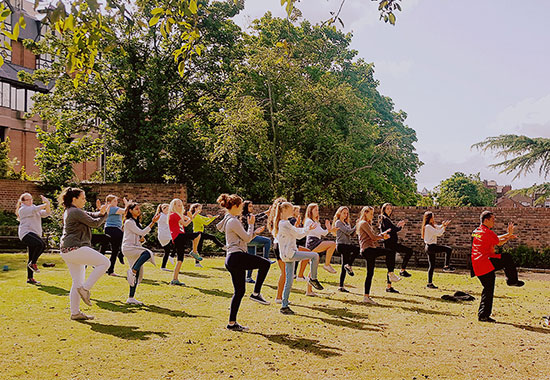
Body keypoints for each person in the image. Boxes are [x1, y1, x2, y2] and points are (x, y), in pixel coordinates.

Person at [216, 193, 271, 332]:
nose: (242, 209)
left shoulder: (230, 219)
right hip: (237, 257)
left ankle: (232, 323)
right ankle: (256, 293)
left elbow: (245, 238)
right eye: (240, 206)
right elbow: (246, 239)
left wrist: (255, 232)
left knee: (239, 292)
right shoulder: (233, 221)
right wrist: (251, 226)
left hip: (232, 259)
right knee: (265, 263)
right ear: (234, 206)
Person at [58, 187, 112, 321]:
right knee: (105, 262)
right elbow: (94, 223)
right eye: (83, 198)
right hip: (74, 248)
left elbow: (91, 215)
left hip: (68, 249)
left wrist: (100, 212)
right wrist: (105, 215)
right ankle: (85, 289)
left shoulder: (73, 210)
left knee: (77, 282)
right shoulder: (75, 211)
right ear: (74, 199)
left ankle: (75, 313)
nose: (85, 200)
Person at [471, 210, 523, 322]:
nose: (494, 221)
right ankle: (512, 281)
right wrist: (508, 235)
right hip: (485, 263)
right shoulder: (487, 232)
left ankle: (483, 315)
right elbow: (498, 241)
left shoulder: (476, 231)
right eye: (492, 219)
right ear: (486, 220)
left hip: (477, 264)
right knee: (507, 258)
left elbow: (495, 239)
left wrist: (508, 236)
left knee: (488, 289)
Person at [275, 201, 324, 315]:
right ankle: (313, 279)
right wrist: (308, 230)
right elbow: (299, 235)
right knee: (315, 256)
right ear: (285, 211)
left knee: (289, 280)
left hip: (287, 255)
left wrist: (307, 229)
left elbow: (297, 232)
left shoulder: (283, 223)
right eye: (291, 209)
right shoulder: (284, 224)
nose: (293, 211)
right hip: (290, 254)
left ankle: (284, 305)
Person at [357, 206, 401, 304]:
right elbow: (373, 237)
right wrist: (382, 236)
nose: (372, 216)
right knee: (389, 252)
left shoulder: (366, 224)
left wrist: (383, 236)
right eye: (371, 214)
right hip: (368, 250)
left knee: (370, 274)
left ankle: (366, 297)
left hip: (369, 250)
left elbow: (373, 238)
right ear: (365, 213)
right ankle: (391, 273)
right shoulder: (363, 223)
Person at [122, 202, 161, 305]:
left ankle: (131, 298)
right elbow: (141, 232)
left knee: (137, 275)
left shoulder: (136, 222)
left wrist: (142, 239)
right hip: (129, 248)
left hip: (134, 247)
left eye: (139, 209)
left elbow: (140, 236)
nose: (139, 210)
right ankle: (133, 271)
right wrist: (153, 222)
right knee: (147, 253)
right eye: (136, 209)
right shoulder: (129, 222)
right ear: (130, 211)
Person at [15, 193, 51, 285]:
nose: (30, 201)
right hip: (26, 233)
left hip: (34, 234)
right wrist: (45, 203)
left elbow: (47, 213)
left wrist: (48, 205)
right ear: (23, 201)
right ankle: (33, 263)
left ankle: (30, 278)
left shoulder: (34, 208)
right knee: (41, 244)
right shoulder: (23, 209)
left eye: (31, 199)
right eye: (28, 199)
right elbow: (35, 209)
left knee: (31, 255)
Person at [297, 203, 338, 279]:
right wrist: (328, 230)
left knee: (314, 266)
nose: (317, 212)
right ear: (310, 211)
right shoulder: (309, 221)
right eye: (315, 210)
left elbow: (322, 233)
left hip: (317, 240)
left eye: (318, 210)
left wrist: (329, 229)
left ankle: (309, 290)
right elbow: (319, 232)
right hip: (312, 241)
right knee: (332, 244)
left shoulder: (316, 221)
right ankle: (327, 264)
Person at [168, 199, 202, 286]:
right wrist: (191, 216)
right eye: (178, 205)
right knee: (197, 235)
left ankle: (174, 279)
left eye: (181, 205)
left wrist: (193, 215)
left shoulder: (178, 215)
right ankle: (194, 252)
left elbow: (188, 219)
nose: (181, 207)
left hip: (178, 238)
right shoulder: (174, 215)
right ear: (174, 206)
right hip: (178, 236)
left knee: (180, 259)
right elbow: (186, 223)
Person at [379, 203, 414, 278]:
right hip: (390, 244)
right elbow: (392, 229)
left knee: (391, 264)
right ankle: (402, 271)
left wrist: (398, 226)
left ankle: (390, 285)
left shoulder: (387, 219)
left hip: (392, 243)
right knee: (391, 264)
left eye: (390, 209)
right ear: (384, 209)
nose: (389, 210)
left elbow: (392, 228)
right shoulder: (384, 218)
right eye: (387, 208)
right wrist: (400, 226)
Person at [241, 201, 272, 283]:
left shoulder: (247, 215)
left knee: (251, 259)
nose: (252, 207)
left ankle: (248, 277)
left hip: (250, 238)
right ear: (245, 207)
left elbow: (256, 216)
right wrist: (266, 215)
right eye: (250, 206)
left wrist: (266, 212)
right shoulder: (246, 216)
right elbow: (257, 219)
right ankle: (266, 259)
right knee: (268, 241)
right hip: (250, 238)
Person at [421, 211, 454, 289]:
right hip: (431, 247)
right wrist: (444, 227)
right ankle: (446, 266)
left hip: (429, 247)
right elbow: (438, 233)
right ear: (429, 218)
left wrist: (443, 225)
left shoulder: (430, 226)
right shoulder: (428, 227)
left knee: (431, 266)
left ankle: (429, 283)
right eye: (433, 217)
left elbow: (438, 227)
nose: (434, 218)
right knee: (448, 249)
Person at [99, 195, 129, 276]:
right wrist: (126, 204)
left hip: (110, 229)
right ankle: (120, 255)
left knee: (113, 249)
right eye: (114, 201)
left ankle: (110, 270)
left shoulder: (109, 208)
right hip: (113, 229)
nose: (116, 202)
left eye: (116, 201)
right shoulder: (112, 208)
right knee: (121, 244)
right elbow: (125, 211)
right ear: (109, 202)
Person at [333, 206, 360, 293]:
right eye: (344, 213)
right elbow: (348, 232)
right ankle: (349, 265)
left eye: (347, 213)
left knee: (344, 266)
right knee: (357, 249)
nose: (345, 215)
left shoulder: (347, 223)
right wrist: (356, 226)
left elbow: (351, 234)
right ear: (339, 213)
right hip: (341, 245)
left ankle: (341, 286)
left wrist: (356, 229)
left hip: (347, 245)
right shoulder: (338, 222)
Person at [189, 203, 223, 268]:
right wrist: (212, 218)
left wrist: (212, 217)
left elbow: (205, 219)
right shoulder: (195, 216)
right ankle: (222, 246)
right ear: (195, 209)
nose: (201, 210)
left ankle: (197, 263)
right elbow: (206, 222)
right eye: (199, 208)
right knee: (212, 237)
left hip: (200, 233)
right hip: (197, 233)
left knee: (199, 248)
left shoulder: (198, 216)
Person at [157, 203, 176, 271]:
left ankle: (163, 267)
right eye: (167, 209)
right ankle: (172, 256)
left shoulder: (163, 215)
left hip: (164, 235)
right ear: (163, 209)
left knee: (167, 251)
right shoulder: (163, 216)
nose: (169, 210)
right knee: (177, 243)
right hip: (165, 235)